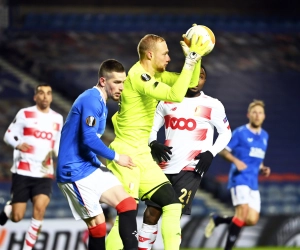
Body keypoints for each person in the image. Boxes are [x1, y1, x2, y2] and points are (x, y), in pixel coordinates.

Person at [105, 32, 210, 250]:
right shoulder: (137, 75)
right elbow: (176, 95)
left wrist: (196, 57)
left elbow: (190, 82)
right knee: (126, 213)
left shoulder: (156, 76)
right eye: (166, 54)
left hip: (142, 155)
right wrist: (189, 60)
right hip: (126, 154)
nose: (169, 58)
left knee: (172, 205)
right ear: (150, 55)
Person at [138, 65, 232, 249]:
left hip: (191, 168)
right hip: (164, 166)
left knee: (173, 215)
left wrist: (210, 153)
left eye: (202, 76)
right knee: (151, 213)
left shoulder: (212, 105)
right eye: (194, 75)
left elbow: (225, 134)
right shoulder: (167, 101)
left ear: (205, 80)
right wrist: (153, 143)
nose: (197, 80)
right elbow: (152, 128)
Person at [56, 59, 138, 250]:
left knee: (127, 204)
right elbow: (88, 139)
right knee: (98, 227)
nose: (122, 87)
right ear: (103, 81)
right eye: (116, 82)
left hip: (89, 165)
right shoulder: (91, 100)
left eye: (124, 82)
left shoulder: (100, 102)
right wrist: (117, 157)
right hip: (73, 171)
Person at [1, 83, 63, 250]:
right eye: (41, 93)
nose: (45, 96)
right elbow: (8, 135)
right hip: (23, 171)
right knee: (17, 217)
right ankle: (9, 210)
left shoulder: (57, 118)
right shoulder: (25, 114)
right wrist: (19, 143)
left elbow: (57, 144)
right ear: (35, 97)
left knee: (40, 209)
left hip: (44, 174)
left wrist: (59, 154)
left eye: (48, 93)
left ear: (51, 97)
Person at [204, 99, 271, 250]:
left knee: (252, 220)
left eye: (260, 112)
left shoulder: (265, 136)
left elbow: (258, 157)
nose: (257, 115)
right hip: (239, 179)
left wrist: (262, 168)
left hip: (253, 182)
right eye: (254, 112)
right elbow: (223, 150)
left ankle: (219, 219)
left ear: (264, 116)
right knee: (242, 214)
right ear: (249, 115)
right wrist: (236, 161)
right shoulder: (240, 133)